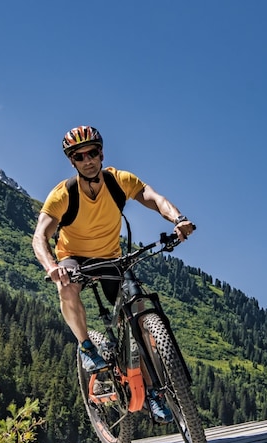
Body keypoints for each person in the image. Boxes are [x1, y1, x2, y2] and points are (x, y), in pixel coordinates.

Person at [32, 125, 195, 423]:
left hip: (111, 257)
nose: (87, 160)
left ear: (101, 153)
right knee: (67, 289)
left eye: (92, 153)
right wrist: (51, 267)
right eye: (79, 156)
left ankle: (154, 390)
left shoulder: (119, 181)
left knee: (137, 311)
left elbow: (153, 197)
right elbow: (39, 237)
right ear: (72, 162)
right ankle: (86, 346)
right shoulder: (63, 194)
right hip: (74, 258)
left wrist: (178, 219)